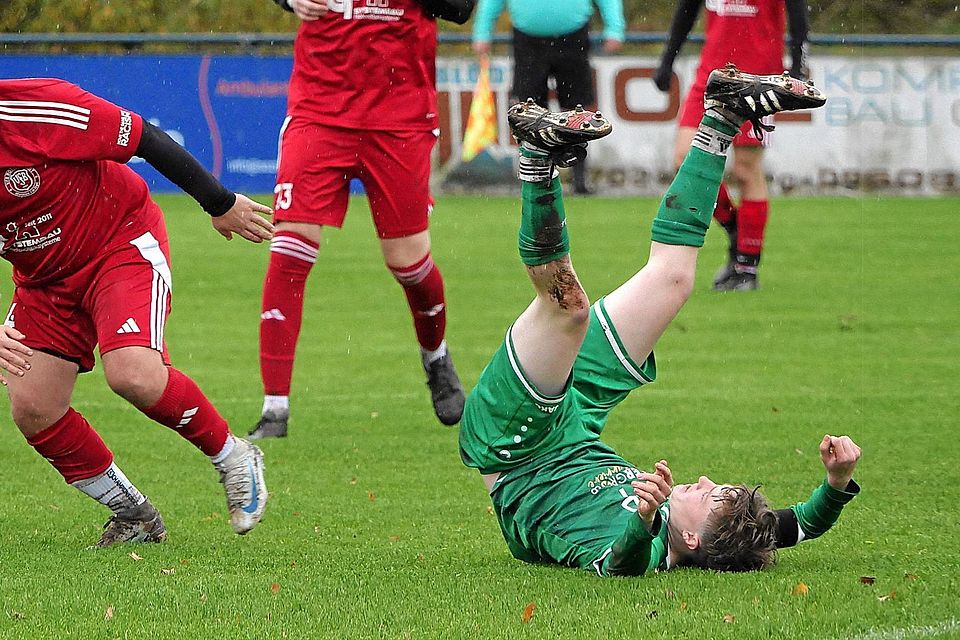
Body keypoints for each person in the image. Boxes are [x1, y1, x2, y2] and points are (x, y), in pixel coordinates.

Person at [459, 67, 860, 575]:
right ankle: (723, 116)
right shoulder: (714, 532)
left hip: (516, 445)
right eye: (724, 487)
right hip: (578, 412)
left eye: (715, 497)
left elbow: (621, 564)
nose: (709, 480)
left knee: (567, 308)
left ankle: (537, 162)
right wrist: (836, 483)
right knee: (675, 280)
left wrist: (643, 520)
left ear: (691, 537)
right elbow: (798, 525)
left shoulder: (646, 547)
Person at [0, 78, 272, 547]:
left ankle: (234, 456)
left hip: (116, 242)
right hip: (43, 279)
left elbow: (143, 134)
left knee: (134, 374)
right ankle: (135, 517)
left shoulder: (31, 108)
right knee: (34, 408)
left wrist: (220, 202)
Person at [252, 0, 476, 438]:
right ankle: (274, 409)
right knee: (290, 249)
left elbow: (460, 8)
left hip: (399, 115)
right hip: (319, 109)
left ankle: (435, 355)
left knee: (408, 264)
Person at [653, 0, 811, 291]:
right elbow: (687, 10)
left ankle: (746, 268)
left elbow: (798, 11)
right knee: (684, 160)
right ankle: (737, 228)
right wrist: (667, 59)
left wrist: (799, 67)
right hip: (713, 75)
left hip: (760, 76)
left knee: (746, 170)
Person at [471, 0, 625, 195]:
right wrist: (482, 32)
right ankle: (534, 176)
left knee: (577, 111)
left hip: (573, 38)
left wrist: (615, 27)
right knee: (528, 113)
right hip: (528, 42)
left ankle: (579, 180)